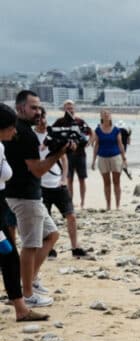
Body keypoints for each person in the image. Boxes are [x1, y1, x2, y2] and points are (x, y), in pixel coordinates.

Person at [3, 89, 70, 309]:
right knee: (31, 245)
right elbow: (38, 170)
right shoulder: (23, 133)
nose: (38, 111)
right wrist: (59, 154)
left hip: (23, 193)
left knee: (51, 235)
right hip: (24, 195)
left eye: (39, 107)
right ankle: (28, 292)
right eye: (33, 107)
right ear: (21, 107)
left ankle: (30, 279)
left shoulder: (21, 131)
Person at [0, 103, 49, 321]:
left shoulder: (1, 147)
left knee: (9, 256)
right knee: (8, 255)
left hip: (2, 205)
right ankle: (21, 308)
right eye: (11, 126)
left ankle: (21, 309)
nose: (15, 130)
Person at [34, 108, 88, 258]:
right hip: (40, 185)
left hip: (57, 183)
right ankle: (49, 248)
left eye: (43, 117)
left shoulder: (54, 134)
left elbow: (64, 159)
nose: (42, 121)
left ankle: (75, 247)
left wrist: (64, 178)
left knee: (70, 215)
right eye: (39, 118)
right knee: (45, 219)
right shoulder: (30, 137)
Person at [52, 99, 91, 208]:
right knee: (69, 179)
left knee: (82, 179)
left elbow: (91, 132)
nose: (70, 110)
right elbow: (51, 134)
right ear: (64, 109)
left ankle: (83, 202)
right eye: (68, 108)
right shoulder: (60, 121)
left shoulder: (79, 121)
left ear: (74, 109)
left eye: (71, 108)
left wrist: (89, 142)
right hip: (67, 155)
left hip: (80, 154)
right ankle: (71, 202)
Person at [91, 110, 127, 210]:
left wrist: (124, 158)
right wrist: (93, 160)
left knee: (116, 182)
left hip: (115, 157)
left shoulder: (116, 130)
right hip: (102, 158)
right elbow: (96, 145)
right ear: (101, 117)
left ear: (111, 117)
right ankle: (108, 205)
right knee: (106, 183)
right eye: (104, 114)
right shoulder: (98, 130)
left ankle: (118, 205)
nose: (106, 116)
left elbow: (120, 144)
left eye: (108, 114)